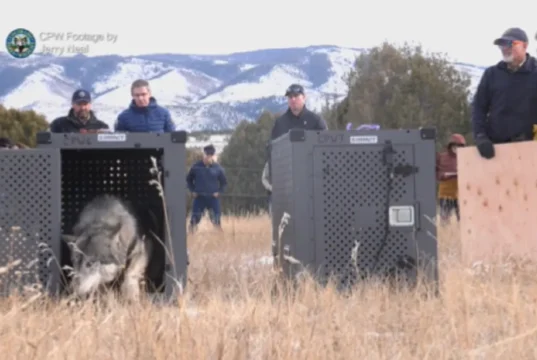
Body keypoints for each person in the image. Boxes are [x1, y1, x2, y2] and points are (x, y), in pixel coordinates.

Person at [472, 27, 537, 159]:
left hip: (530, 151)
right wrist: (481, 136)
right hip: (496, 151)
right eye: (502, 45)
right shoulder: (492, 74)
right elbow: (478, 107)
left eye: (510, 44)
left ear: (525, 45)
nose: (505, 48)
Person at [186, 144, 227, 232]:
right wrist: (192, 191)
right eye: (206, 155)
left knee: (216, 220)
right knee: (195, 219)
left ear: (213, 156)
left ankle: (219, 238)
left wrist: (219, 192)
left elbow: (224, 183)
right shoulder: (196, 167)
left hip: (213, 198)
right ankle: (191, 235)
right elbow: (188, 180)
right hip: (199, 197)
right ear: (203, 155)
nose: (208, 158)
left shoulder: (218, 168)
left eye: (210, 156)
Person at [436, 133, 466, 224]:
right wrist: (443, 175)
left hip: (461, 193)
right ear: (450, 146)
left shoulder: (466, 158)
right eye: (455, 146)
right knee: (445, 220)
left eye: (459, 146)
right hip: (445, 193)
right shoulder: (441, 157)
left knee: (463, 220)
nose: (457, 149)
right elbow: (435, 172)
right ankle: (445, 236)